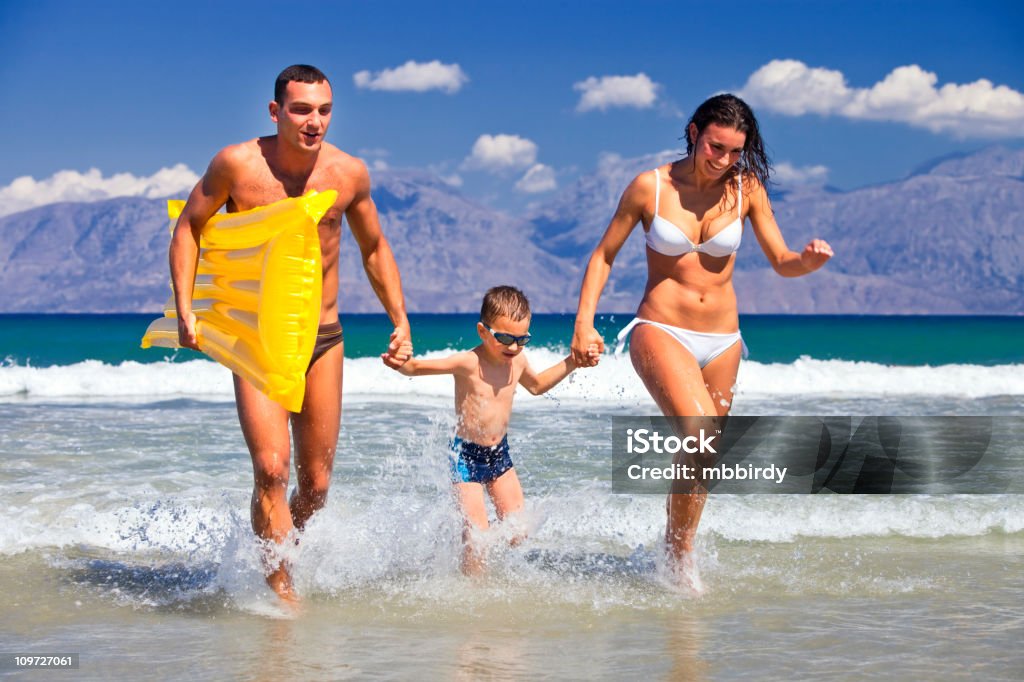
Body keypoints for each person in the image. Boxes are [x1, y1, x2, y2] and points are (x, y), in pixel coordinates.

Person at [570, 93, 833, 591]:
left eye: (735, 151)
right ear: (694, 133)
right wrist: (584, 325)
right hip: (661, 328)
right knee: (697, 434)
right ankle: (678, 556)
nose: (724, 160)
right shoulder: (650, 186)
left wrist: (807, 261)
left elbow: (781, 259)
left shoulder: (746, 189)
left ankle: (676, 552)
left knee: (704, 450)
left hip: (724, 341)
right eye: (716, 147)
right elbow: (603, 255)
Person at [169, 65, 412, 603]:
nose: (314, 121)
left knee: (317, 487)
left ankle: (279, 550)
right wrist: (186, 309)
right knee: (272, 468)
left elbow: (373, 247)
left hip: (324, 337)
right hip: (257, 337)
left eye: (324, 110)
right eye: (301, 109)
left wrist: (399, 318)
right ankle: (282, 592)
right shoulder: (237, 165)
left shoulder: (347, 174)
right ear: (276, 111)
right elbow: (190, 226)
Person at [390, 286, 597, 575]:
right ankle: (473, 587)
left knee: (518, 530)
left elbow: (536, 386)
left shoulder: (518, 362)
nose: (513, 347)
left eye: (521, 340)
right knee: (477, 536)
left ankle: (474, 553)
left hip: (500, 455)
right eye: (504, 338)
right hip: (465, 457)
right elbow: (415, 368)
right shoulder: (468, 363)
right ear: (483, 331)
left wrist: (572, 362)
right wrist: (401, 361)